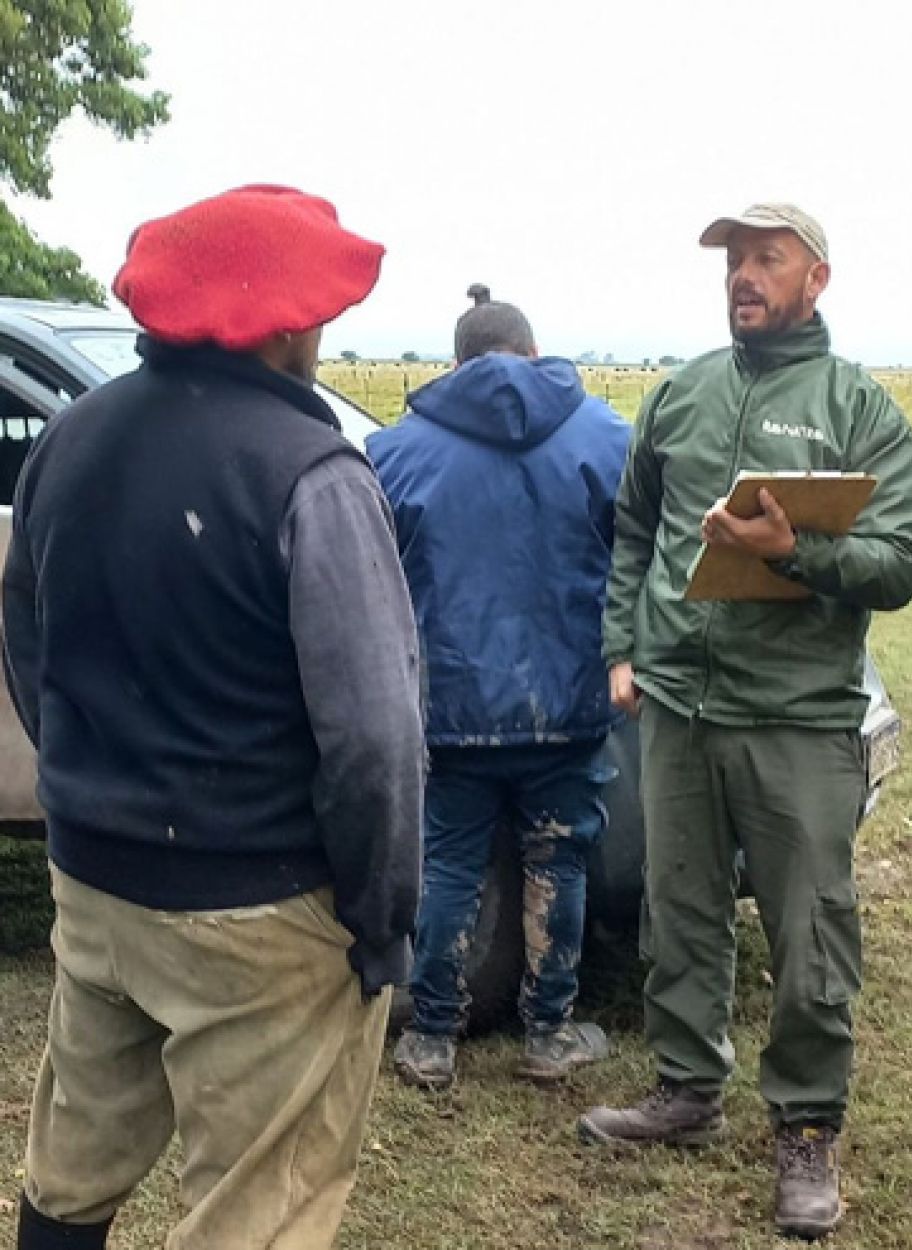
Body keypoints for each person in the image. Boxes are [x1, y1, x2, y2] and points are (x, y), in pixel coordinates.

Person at [2, 185, 424, 1250]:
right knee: (259, 1200)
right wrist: (380, 918)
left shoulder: (70, 437)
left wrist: (88, 794)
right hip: (261, 908)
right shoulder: (313, 474)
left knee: (73, 1160)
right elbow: (374, 736)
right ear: (286, 323)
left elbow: (28, 637)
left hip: (97, 881)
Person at [578, 204, 912, 1239]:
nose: (743, 275)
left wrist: (793, 552)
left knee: (810, 927)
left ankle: (807, 1127)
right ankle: (685, 1088)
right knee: (679, 906)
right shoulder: (680, 394)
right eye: (734, 259)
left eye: (765, 258)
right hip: (678, 702)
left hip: (798, 712)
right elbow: (632, 528)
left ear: (815, 278)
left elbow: (901, 562)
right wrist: (623, 644)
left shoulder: (858, 405)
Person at [367, 285, 630, 1089]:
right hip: (570, 697)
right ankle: (548, 1033)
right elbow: (638, 556)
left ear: (455, 363)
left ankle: (432, 1040)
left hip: (449, 704)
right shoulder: (607, 435)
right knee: (559, 860)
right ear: (533, 350)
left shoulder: (394, 451)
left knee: (447, 864)